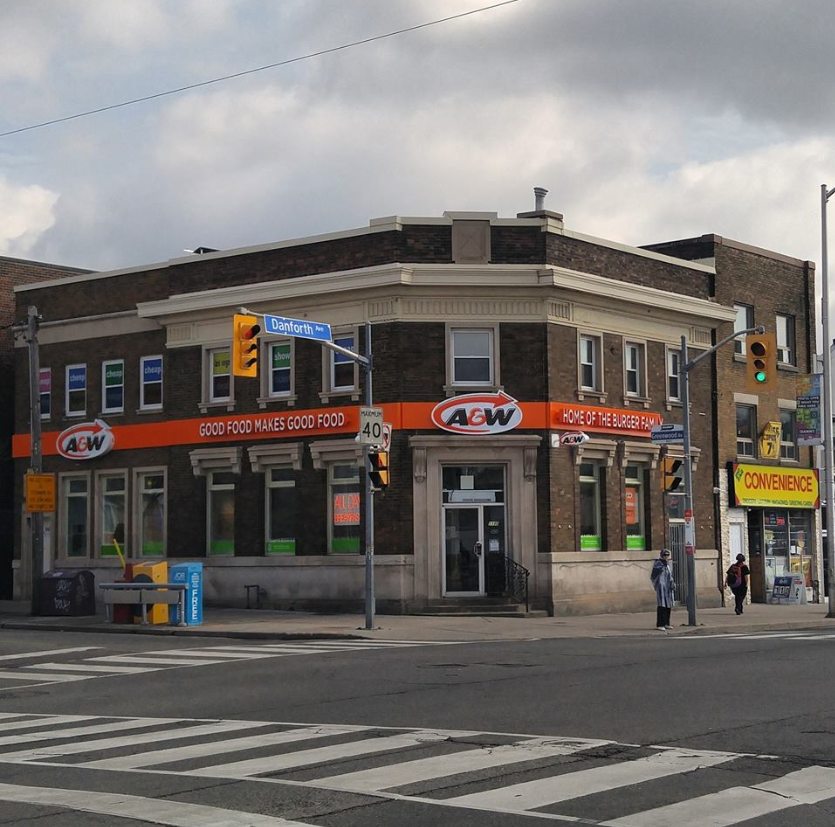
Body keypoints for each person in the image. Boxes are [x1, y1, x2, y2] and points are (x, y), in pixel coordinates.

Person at [650, 548, 675, 631]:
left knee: (668, 605)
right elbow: (653, 576)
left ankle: (667, 623)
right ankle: (660, 624)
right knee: (662, 606)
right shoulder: (658, 564)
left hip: (668, 588)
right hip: (661, 587)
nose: (666, 556)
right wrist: (658, 584)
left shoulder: (668, 564)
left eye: (668, 555)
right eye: (665, 555)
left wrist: (672, 583)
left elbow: (670, 575)